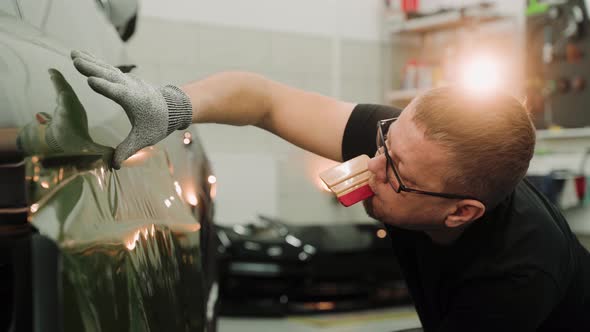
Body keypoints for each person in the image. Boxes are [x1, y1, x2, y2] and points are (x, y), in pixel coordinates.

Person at [70, 50, 590, 331]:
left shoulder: (516, 280)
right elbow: (265, 100)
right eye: (386, 141)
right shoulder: (407, 150)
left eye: (397, 174)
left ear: (460, 213)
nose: (372, 166)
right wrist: (174, 104)